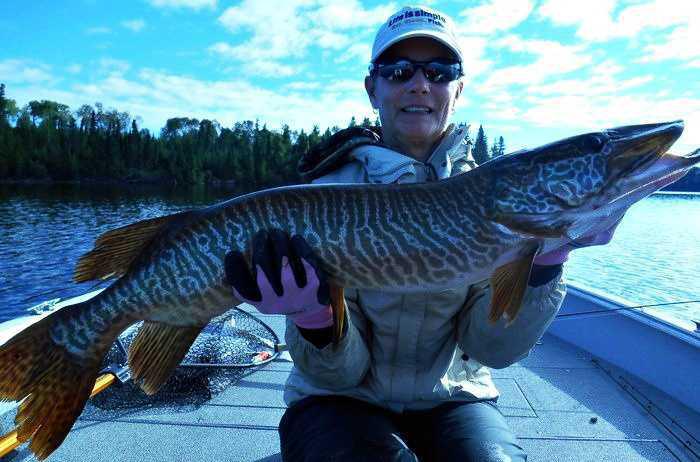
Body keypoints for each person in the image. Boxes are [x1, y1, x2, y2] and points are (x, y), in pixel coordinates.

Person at [226, 6, 619, 461]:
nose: (419, 84)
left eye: (439, 71)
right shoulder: (327, 200)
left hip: (451, 398)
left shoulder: (492, 200)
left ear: (459, 89)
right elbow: (339, 376)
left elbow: (491, 348)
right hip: (338, 399)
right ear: (373, 89)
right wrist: (314, 320)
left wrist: (545, 263)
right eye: (397, 71)